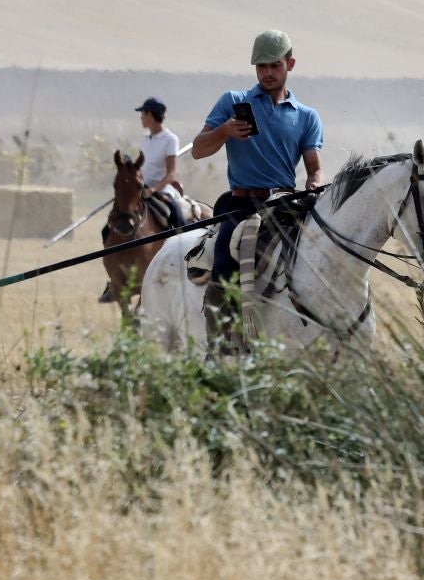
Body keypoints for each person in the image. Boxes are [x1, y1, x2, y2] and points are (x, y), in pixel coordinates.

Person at [191, 29, 324, 347]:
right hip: (240, 205)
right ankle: (222, 345)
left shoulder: (306, 117)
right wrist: (224, 131)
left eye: (274, 66)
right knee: (223, 267)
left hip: (286, 204)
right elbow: (198, 149)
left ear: (290, 64)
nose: (267, 73)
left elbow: (314, 168)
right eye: (261, 66)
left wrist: (314, 187)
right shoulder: (233, 102)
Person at [135, 97, 186, 230]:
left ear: (150, 115)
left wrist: (152, 189)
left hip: (161, 191)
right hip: (141, 190)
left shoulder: (170, 139)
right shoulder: (144, 138)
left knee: (177, 215)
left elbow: (171, 174)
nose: (141, 117)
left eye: (142, 114)